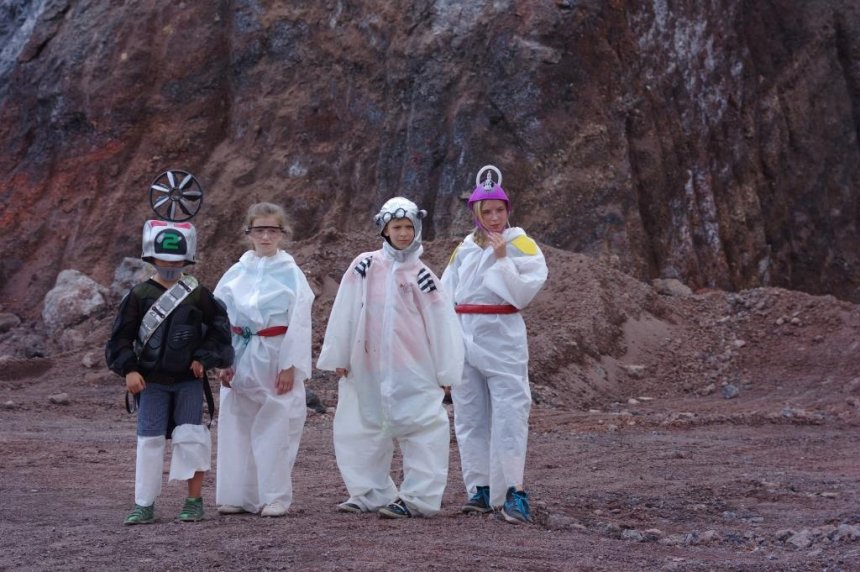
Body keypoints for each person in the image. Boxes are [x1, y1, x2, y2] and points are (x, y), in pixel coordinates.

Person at [317, 197, 464, 519]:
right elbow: (345, 308)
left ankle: (418, 498)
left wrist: (446, 373)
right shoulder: (364, 266)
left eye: (409, 227)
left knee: (423, 428)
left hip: (413, 369)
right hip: (367, 366)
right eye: (397, 227)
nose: (403, 233)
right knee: (361, 428)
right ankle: (369, 492)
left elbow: (442, 325)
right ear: (384, 229)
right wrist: (340, 354)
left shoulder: (423, 276)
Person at [106, 219, 234, 525]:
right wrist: (129, 369)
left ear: (186, 261)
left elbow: (220, 332)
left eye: (176, 261)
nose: (170, 266)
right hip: (151, 382)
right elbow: (120, 339)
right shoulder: (139, 295)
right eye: (164, 260)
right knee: (149, 441)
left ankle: (194, 501)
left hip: (189, 381)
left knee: (192, 438)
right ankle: (144, 504)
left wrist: (204, 357)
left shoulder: (198, 294)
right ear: (152, 258)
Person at [441, 165, 548, 524]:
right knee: (469, 414)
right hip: (464, 332)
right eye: (486, 211)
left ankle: (513, 490)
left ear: (508, 210)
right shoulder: (465, 248)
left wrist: (502, 260)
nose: (494, 217)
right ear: (475, 213)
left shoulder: (521, 245)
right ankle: (481, 488)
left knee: (509, 413)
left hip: (502, 334)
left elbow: (522, 293)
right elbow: (445, 294)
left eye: (499, 210)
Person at [213, 202, 314, 517]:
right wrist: (223, 359)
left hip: (274, 352)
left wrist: (290, 366)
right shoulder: (236, 272)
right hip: (240, 352)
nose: (266, 237)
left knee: (277, 426)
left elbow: (299, 321)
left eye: (272, 230)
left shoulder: (291, 273)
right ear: (249, 233)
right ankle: (237, 494)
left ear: (282, 233)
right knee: (236, 424)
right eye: (260, 230)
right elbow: (220, 316)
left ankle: (274, 496)